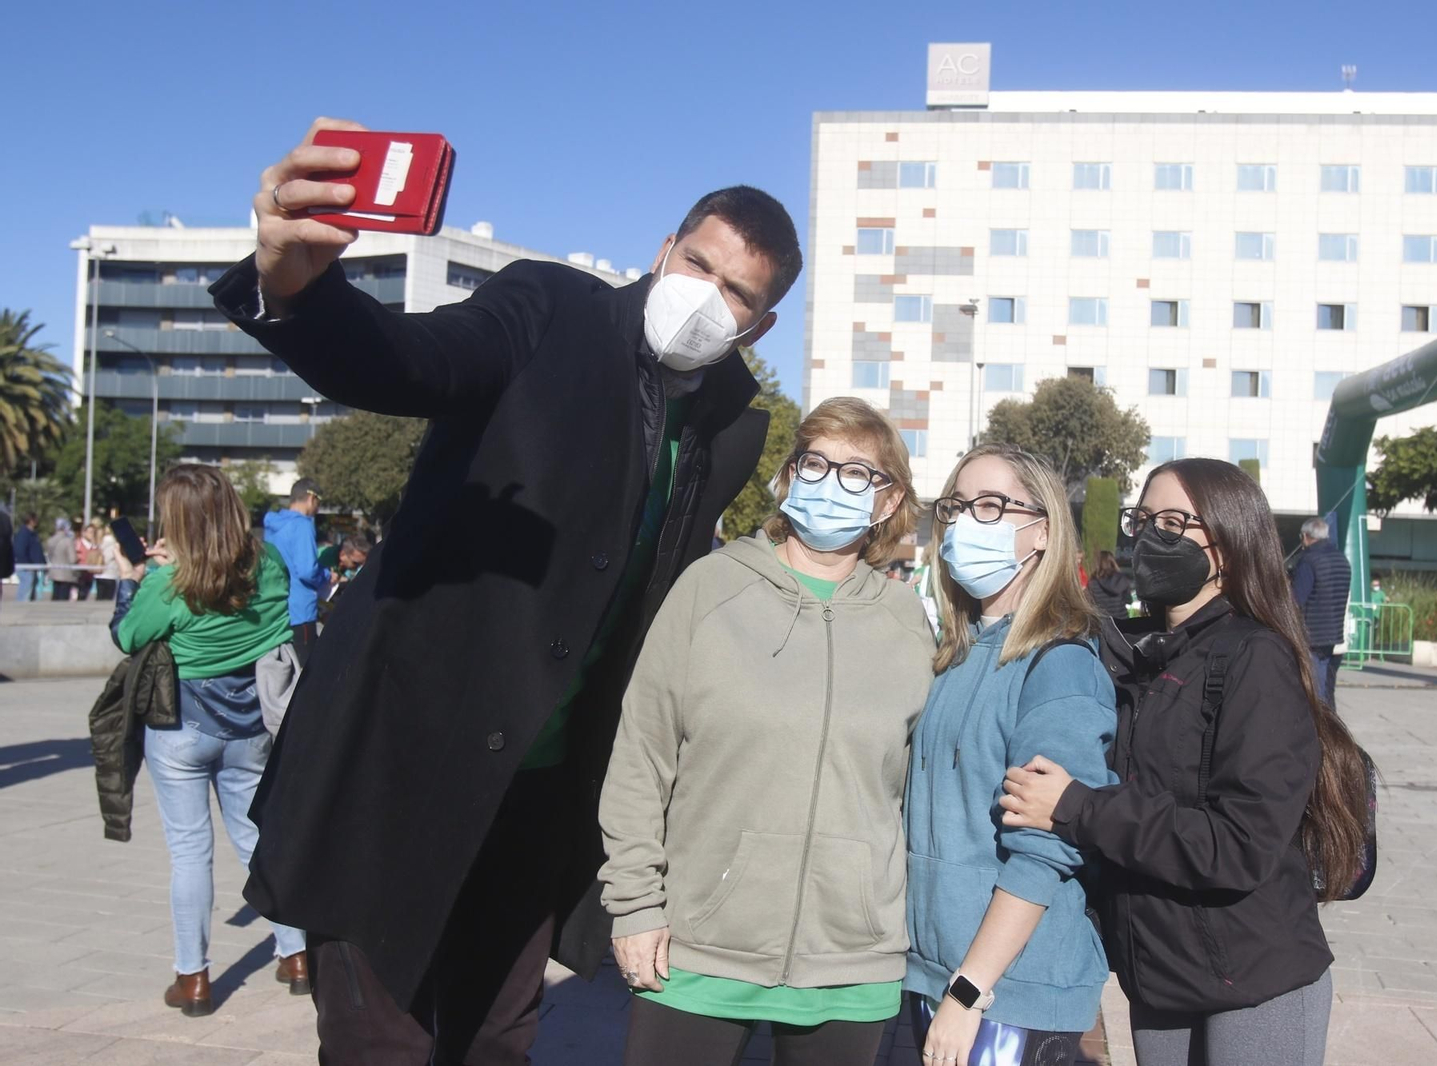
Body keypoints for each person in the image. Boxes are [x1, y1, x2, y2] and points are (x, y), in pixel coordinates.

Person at [210, 117, 800, 1063]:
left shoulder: (732, 430)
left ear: (758, 325)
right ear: (663, 251)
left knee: (497, 1039)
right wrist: (297, 285)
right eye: (698, 264)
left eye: (736, 293)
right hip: (401, 766)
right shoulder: (549, 309)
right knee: (381, 1045)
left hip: (541, 793)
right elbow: (410, 361)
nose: (707, 297)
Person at [999, 458, 1370, 1066]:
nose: (1150, 537)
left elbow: (1241, 843)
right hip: (1161, 977)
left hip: (1253, 979)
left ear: (1226, 546)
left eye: (1173, 522)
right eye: (1142, 520)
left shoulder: (1255, 659)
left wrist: (1078, 807)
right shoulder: (1139, 655)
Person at [600, 397, 934, 1066]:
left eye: (857, 472)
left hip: (851, 962)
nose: (830, 482)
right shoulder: (710, 589)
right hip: (698, 949)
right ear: (789, 475)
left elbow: (912, 790)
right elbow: (642, 752)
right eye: (816, 462)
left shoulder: (907, 624)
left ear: (889, 498)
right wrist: (635, 905)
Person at [904, 443, 1115, 1066]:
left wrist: (969, 992)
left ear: (1041, 531)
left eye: (993, 505)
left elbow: (1043, 850)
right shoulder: (961, 653)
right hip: (939, 971)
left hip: (1004, 993)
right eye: (958, 506)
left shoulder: (1060, 665)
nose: (969, 521)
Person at [107, 464, 308, 1018]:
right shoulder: (266, 562)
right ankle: (297, 955)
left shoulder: (169, 580)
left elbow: (128, 636)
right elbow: (278, 619)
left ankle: (192, 978)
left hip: (182, 726)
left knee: (190, 852)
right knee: (255, 839)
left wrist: (134, 576)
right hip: (252, 723)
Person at [263, 479, 327, 660]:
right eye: (319, 503)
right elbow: (307, 570)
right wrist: (327, 575)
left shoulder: (272, 525)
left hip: (277, 607)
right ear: (311, 498)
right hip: (301, 610)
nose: (317, 509)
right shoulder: (303, 525)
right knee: (306, 669)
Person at [1291, 517, 1352, 709]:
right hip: (1333, 633)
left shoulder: (1309, 560)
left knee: (1313, 691)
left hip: (1311, 634)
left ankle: (1319, 732)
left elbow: (1296, 598)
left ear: (1307, 537)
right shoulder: (1342, 559)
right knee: (1326, 688)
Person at [1087, 550, 1132, 619]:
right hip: (1122, 619)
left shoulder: (1092, 582)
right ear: (1113, 561)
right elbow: (1129, 600)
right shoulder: (1121, 579)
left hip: (1103, 622)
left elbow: (1090, 603)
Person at [13, 513, 44, 601]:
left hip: (32, 567)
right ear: (31, 521)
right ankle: (21, 608)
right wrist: (27, 564)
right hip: (26, 567)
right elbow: (19, 550)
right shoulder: (24, 534)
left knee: (31, 590)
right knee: (25, 589)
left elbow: (37, 551)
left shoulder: (33, 534)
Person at [46, 518, 76, 601]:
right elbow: (72, 559)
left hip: (54, 571)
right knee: (63, 597)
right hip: (65, 573)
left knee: (55, 594)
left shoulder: (50, 540)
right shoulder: (68, 541)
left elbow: (49, 556)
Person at [97, 523, 121, 600]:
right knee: (107, 599)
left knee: (99, 597)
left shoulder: (100, 541)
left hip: (99, 573)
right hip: (110, 574)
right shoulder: (113, 543)